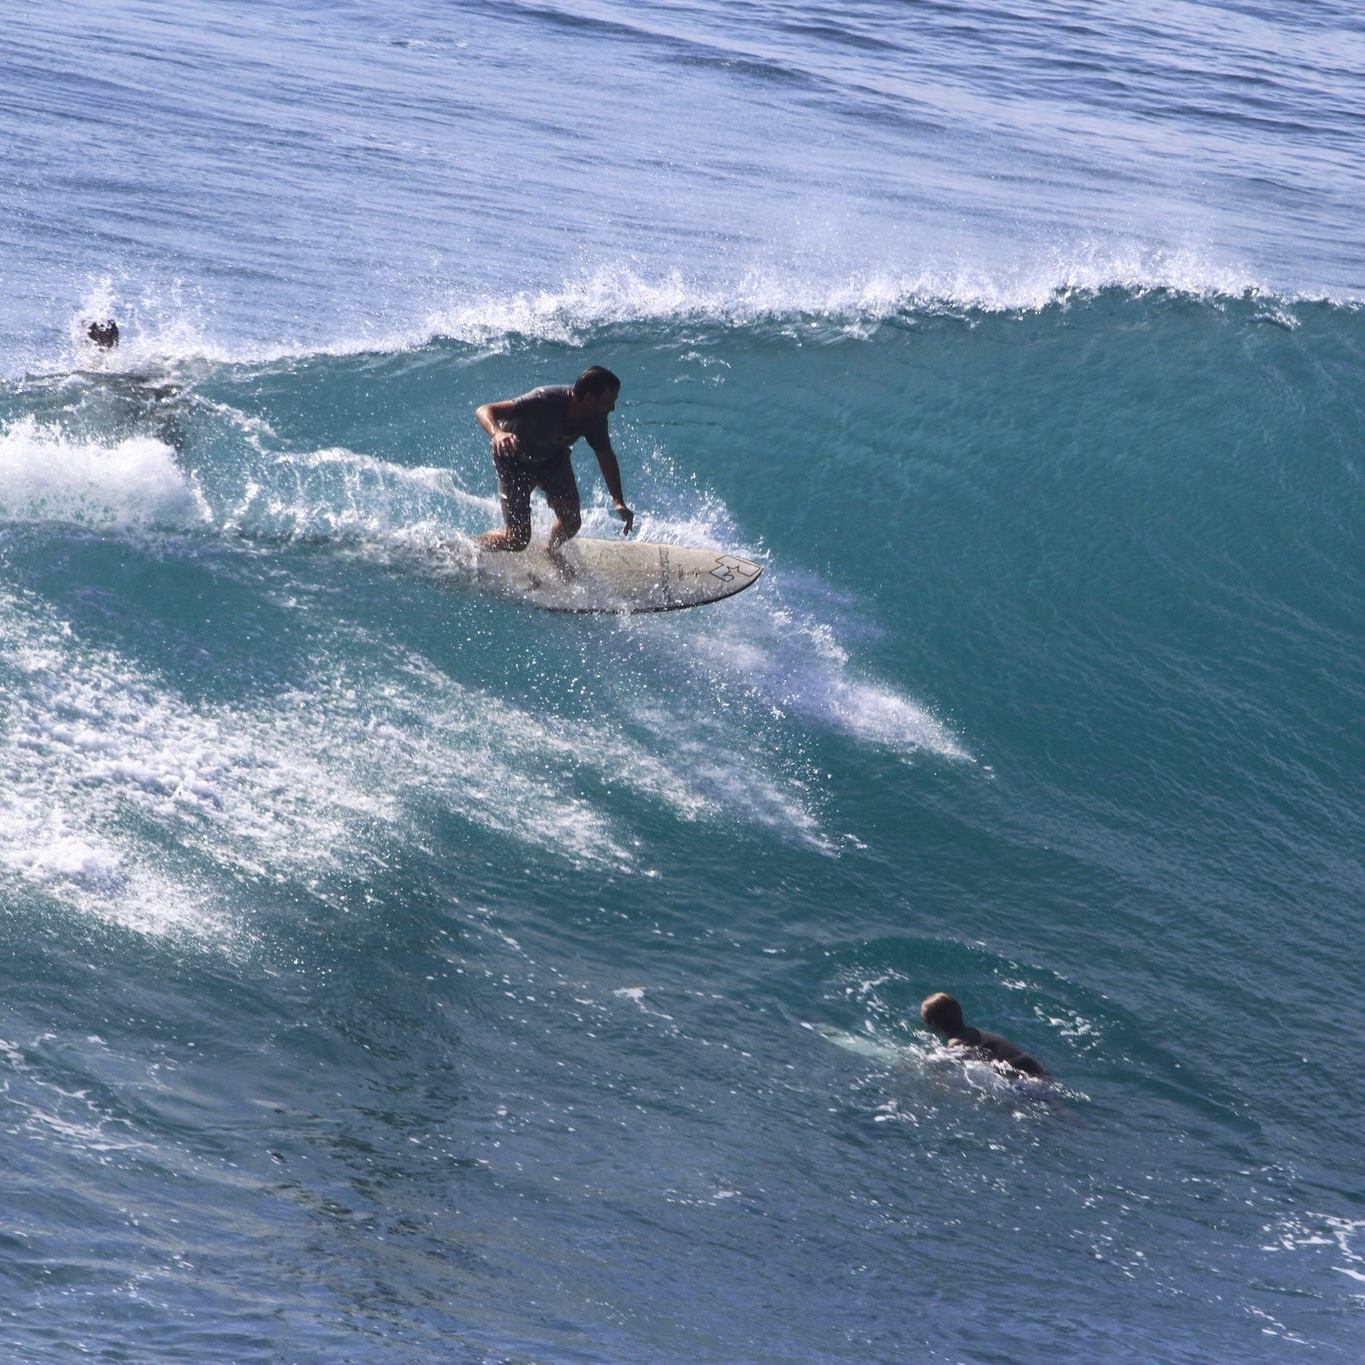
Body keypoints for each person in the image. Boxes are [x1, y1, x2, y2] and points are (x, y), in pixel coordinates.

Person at [474, 365, 634, 555]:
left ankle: (550, 551)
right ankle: (472, 546)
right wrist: (498, 433)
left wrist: (618, 500)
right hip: (514, 460)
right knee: (517, 540)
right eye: (608, 402)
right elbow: (484, 410)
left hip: (552, 457)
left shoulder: (595, 418)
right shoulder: (544, 400)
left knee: (572, 522)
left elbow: (605, 455)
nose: (612, 408)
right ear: (590, 399)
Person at [920, 992, 1050, 1079]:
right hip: (1033, 1066)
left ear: (933, 1024)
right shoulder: (977, 1033)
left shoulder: (956, 1044)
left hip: (1020, 1077)